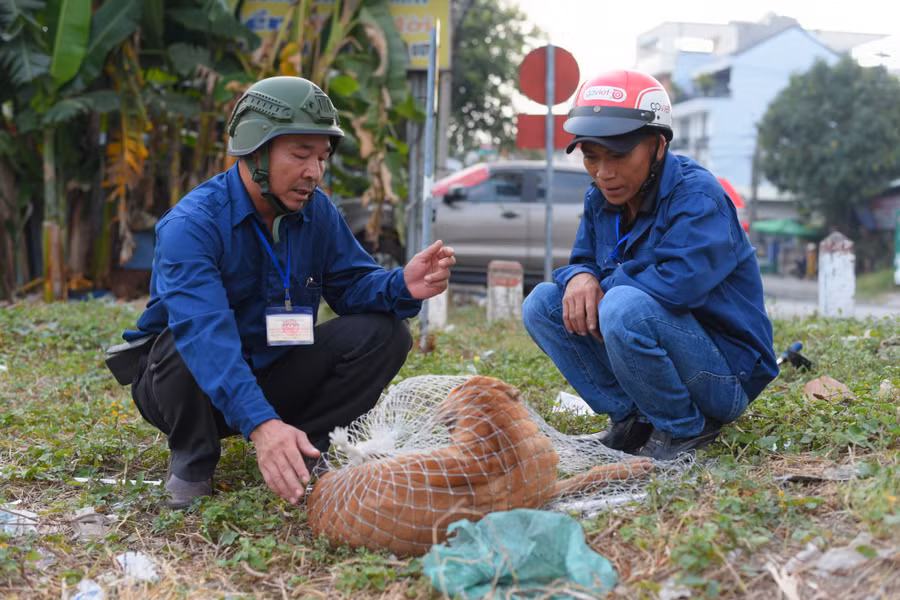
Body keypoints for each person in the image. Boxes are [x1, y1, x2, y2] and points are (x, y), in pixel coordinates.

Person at [112, 76, 455, 509]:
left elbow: (352, 288)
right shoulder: (192, 226)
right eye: (299, 155)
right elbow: (206, 339)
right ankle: (193, 461)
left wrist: (401, 284)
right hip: (187, 388)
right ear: (256, 151)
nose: (314, 172)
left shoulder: (317, 211)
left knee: (387, 334)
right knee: (186, 345)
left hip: (276, 370)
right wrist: (261, 425)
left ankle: (304, 447)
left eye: (322, 158)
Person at [522, 70, 777, 461]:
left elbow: (678, 285)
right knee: (543, 303)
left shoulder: (699, 197)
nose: (605, 173)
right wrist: (580, 276)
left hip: (723, 376)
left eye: (619, 156)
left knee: (623, 306)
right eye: (592, 157)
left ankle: (685, 430)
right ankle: (631, 420)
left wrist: (599, 284)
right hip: (659, 357)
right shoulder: (601, 198)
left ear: (658, 146)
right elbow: (582, 261)